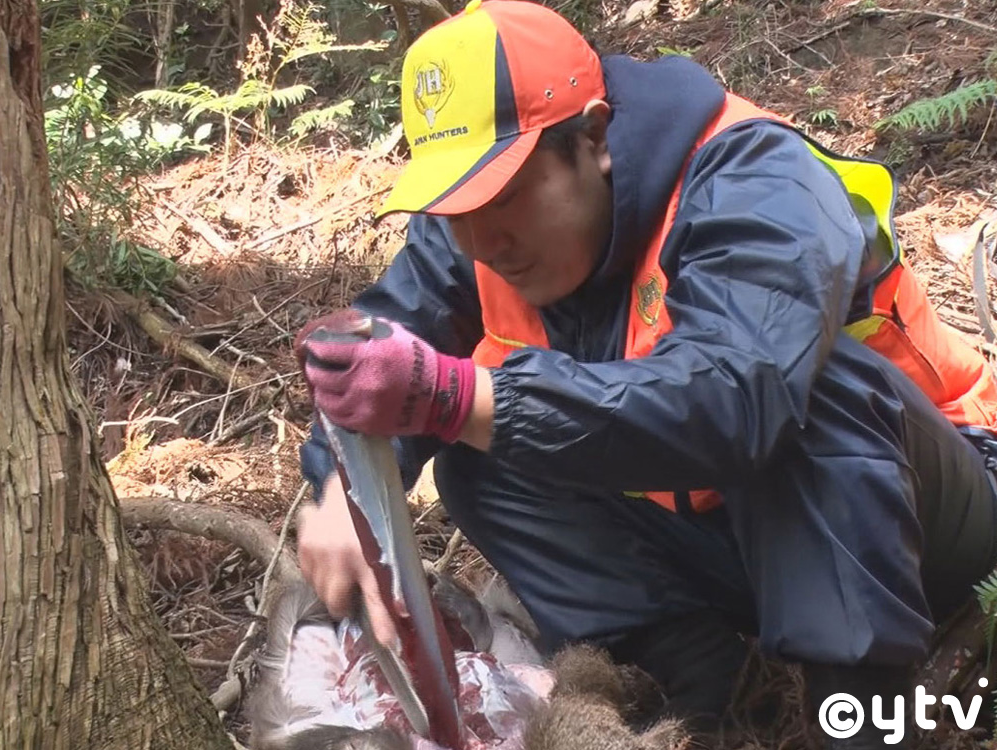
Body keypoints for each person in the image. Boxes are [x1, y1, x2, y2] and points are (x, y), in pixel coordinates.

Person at [293, 0, 997, 745]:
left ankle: (856, 712)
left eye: (504, 194)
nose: (482, 239)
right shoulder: (469, 233)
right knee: (481, 463)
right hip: (735, 534)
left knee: (810, 395)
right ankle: (696, 688)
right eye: (455, 205)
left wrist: (459, 396)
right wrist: (344, 489)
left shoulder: (751, 176)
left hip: (930, 517)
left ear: (593, 136)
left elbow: (739, 398)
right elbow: (377, 344)